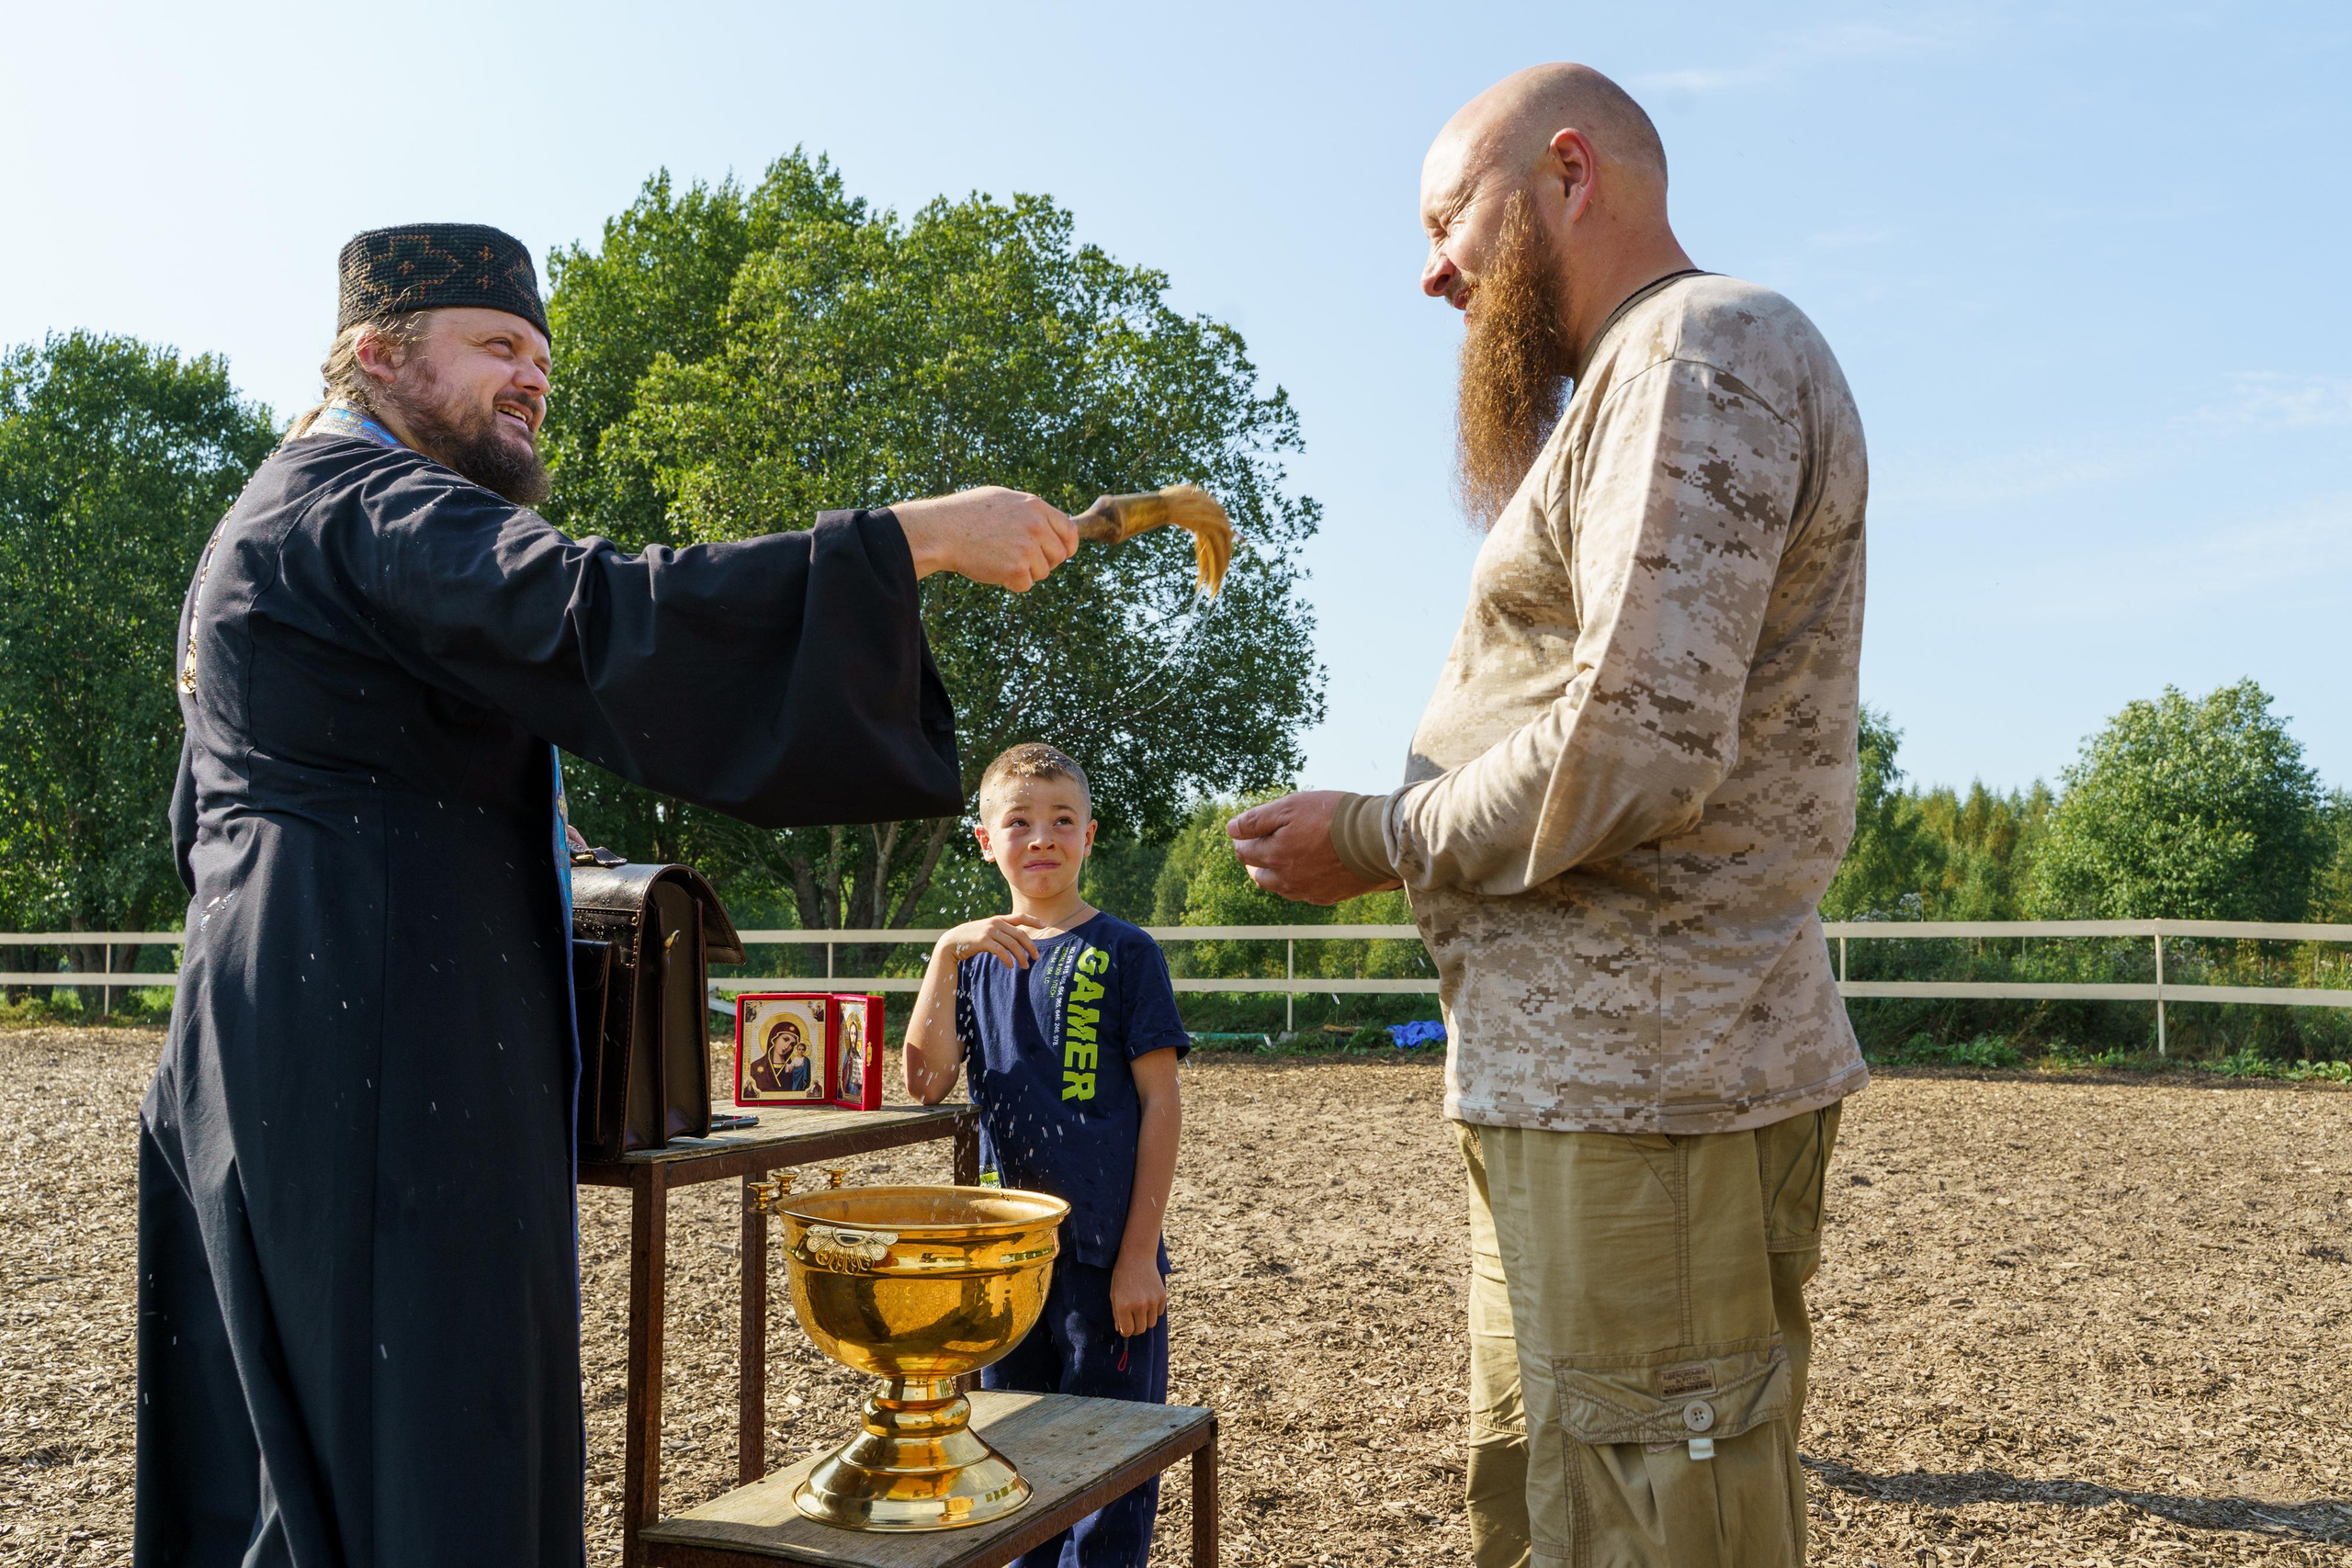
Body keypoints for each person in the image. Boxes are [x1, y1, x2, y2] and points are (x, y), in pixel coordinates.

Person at [137, 222, 1080, 1567]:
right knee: (417, 1437)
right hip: (370, 1052)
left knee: (312, 1460)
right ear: (377, 354)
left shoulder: (282, 507)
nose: (531, 377)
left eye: (542, 358)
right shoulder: (363, 497)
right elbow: (595, 609)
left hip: (285, 1026)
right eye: (496, 345)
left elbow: (228, 811)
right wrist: (907, 541)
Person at [1227, 64, 1868, 1568]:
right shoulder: (1633, 388)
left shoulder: (1698, 351)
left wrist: (1375, 838)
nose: (1431, 266)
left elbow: (1632, 745)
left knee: (1662, 1526)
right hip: (1572, 1089)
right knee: (1552, 1512)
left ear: (1570, 174)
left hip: (1649, 1092)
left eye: (1452, 215)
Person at [903, 743, 1187, 1568]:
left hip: (1105, 1258)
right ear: (986, 842)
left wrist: (1140, 1255)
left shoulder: (1127, 952)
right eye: (1019, 821)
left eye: (1062, 820)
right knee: (1011, 1463)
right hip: (1007, 1263)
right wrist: (946, 950)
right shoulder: (974, 959)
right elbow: (924, 1079)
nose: (1042, 837)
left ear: (1089, 836)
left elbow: (1161, 1105)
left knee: (1106, 1467)